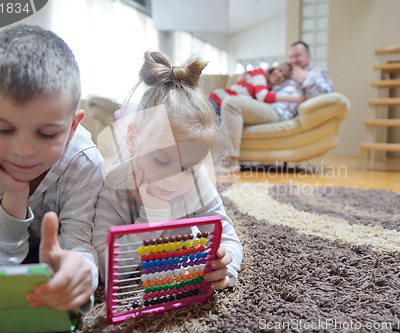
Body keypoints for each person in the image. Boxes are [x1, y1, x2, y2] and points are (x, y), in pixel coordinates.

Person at [0, 24, 104, 312]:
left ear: (72, 126)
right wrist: (14, 198)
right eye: (3, 129)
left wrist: (80, 272)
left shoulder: (84, 163)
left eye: (46, 134)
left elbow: (81, 244)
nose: (24, 151)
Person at [93, 51, 243, 290]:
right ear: (133, 140)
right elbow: (104, 268)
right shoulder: (113, 188)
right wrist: (153, 219)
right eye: (162, 161)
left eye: (188, 168)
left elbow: (226, 235)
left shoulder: (196, 181)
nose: (174, 180)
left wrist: (227, 264)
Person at [219, 41, 334, 172]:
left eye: (298, 56)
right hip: (265, 106)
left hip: (279, 112)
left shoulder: (315, 73)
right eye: (291, 56)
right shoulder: (286, 74)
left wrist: (305, 78)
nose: (293, 60)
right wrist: (244, 78)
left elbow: (328, 95)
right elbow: (262, 89)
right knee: (226, 105)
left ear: (308, 57)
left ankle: (230, 162)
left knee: (231, 103)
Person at [209, 62, 302, 109]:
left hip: (227, 108)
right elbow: (262, 96)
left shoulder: (271, 91)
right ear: (274, 69)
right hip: (216, 100)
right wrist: (294, 98)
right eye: (280, 70)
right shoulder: (260, 72)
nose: (280, 75)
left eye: (284, 76)